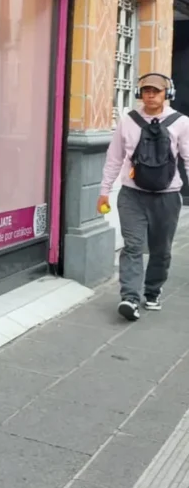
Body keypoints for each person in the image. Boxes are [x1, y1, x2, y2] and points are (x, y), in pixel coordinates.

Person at [98, 73, 189, 320]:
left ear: (167, 94)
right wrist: (104, 191)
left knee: (161, 250)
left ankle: (152, 291)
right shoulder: (128, 121)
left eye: (156, 91)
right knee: (133, 246)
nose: (150, 95)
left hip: (167, 197)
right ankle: (130, 298)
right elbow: (114, 157)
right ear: (140, 93)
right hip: (132, 195)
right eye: (146, 90)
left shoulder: (182, 123)